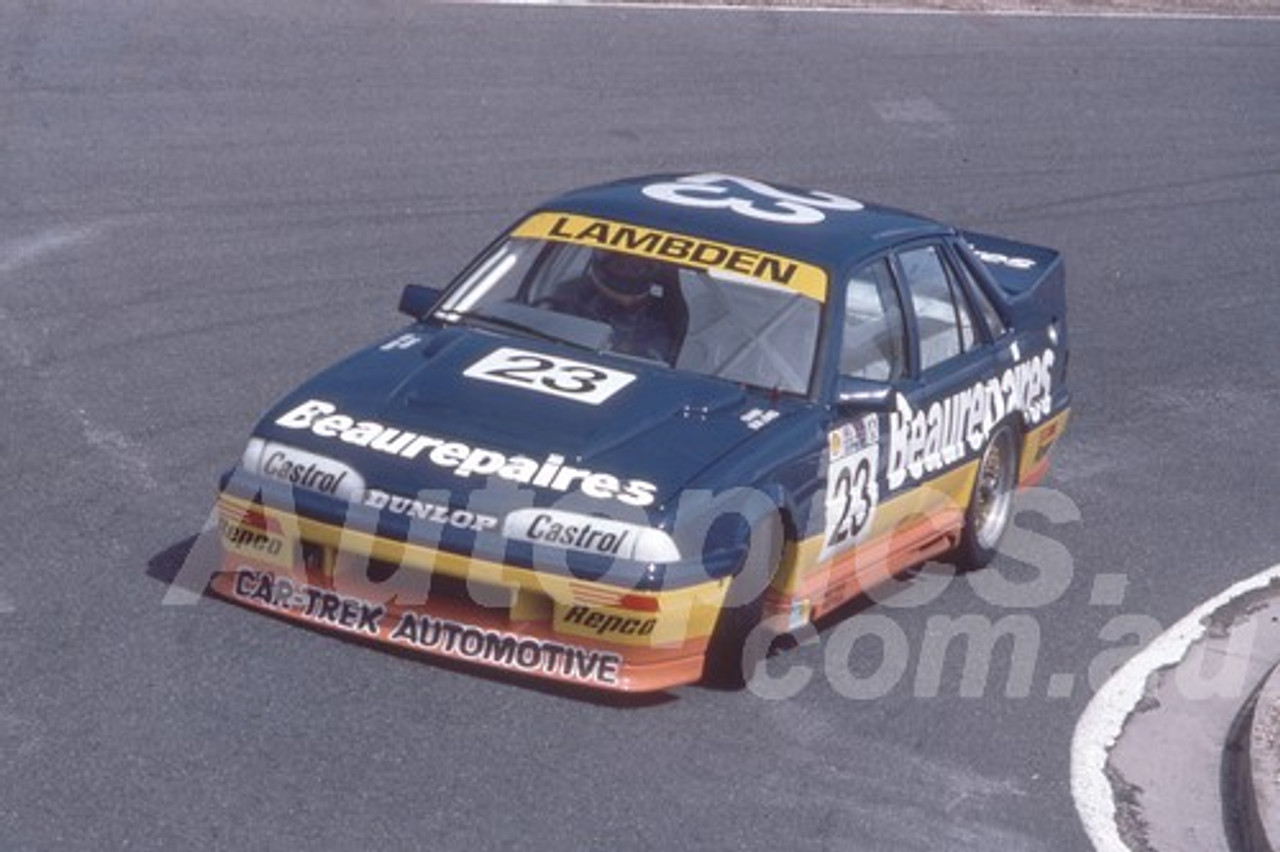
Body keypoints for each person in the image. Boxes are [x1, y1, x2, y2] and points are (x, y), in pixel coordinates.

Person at [543, 250, 684, 364]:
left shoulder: (668, 315)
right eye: (620, 263)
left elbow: (665, 362)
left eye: (637, 264)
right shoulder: (567, 296)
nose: (629, 266)